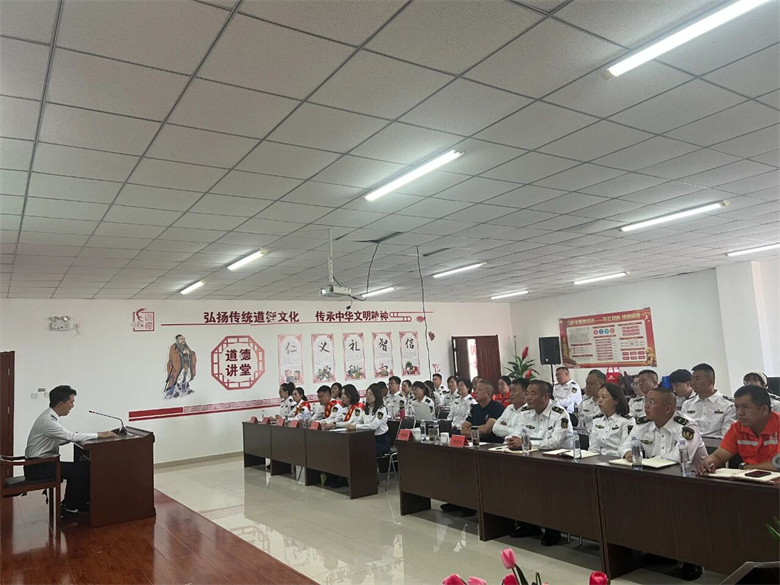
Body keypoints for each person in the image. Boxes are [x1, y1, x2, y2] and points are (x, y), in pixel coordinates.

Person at [25, 386, 116, 515]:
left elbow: (62, 439)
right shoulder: (48, 421)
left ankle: (79, 503)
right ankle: (70, 506)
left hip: (41, 464)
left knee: (82, 467)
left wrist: (75, 437)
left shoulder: (50, 417)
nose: (72, 406)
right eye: (71, 402)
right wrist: (99, 435)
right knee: (84, 469)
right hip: (38, 467)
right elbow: (69, 436)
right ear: (61, 403)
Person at [508, 380, 570, 546]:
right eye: (527, 393)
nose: (528, 397)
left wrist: (528, 443)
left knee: (547, 490)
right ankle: (529, 525)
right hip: (532, 459)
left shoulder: (560, 413)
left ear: (545, 397)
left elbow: (555, 442)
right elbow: (516, 433)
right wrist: (515, 441)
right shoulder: (525, 412)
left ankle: (553, 529)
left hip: (558, 463)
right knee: (520, 484)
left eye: (533, 394)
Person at [697, 385, 780, 474]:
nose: (739, 413)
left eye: (745, 407)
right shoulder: (737, 428)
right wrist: (707, 463)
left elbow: (777, 465)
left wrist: (746, 467)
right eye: (737, 407)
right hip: (748, 479)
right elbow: (718, 457)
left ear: (764, 409)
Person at [620, 387, 707, 467]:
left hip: (690, 475)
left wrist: (648, 460)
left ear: (668, 409)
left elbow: (680, 457)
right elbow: (624, 446)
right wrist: (628, 452)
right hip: (655, 473)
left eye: (651, 402)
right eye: (646, 401)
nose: (646, 406)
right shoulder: (642, 424)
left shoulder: (687, 426)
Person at [682, 363, 736, 438]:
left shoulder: (728, 405)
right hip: (691, 443)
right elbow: (682, 431)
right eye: (692, 379)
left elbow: (727, 436)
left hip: (717, 444)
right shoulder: (687, 404)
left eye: (697, 379)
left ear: (710, 382)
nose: (693, 382)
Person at [589, 383, 635, 457]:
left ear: (616, 401)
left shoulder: (627, 421)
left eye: (604, 397)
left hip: (618, 459)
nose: (599, 400)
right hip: (599, 460)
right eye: (598, 397)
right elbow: (594, 449)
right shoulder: (597, 420)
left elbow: (625, 448)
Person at [345, 384, 391, 456]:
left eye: (371, 394)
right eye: (367, 394)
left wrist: (356, 427)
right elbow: (359, 421)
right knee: (355, 449)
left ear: (376, 395)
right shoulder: (366, 409)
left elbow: (373, 426)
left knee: (365, 451)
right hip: (368, 438)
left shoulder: (381, 409)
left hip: (381, 440)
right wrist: (350, 425)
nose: (368, 396)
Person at [461, 380, 505, 444]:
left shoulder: (497, 407)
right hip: (476, 443)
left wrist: (472, 429)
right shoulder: (475, 408)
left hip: (493, 444)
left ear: (488, 394)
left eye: (480, 390)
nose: (475, 392)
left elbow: (486, 430)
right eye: (475, 389)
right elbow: (463, 430)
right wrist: (478, 431)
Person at [163, 334, 196, 398]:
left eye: (184, 339)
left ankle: (186, 389)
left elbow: (191, 354)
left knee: (186, 378)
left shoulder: (186, 346)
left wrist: (190, 353)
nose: (183, 340)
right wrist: (181, 353)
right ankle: (173, 392)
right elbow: (172, 356)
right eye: (181, 339)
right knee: (176, 378)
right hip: (176, 366)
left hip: (186, 366)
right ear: (177, 340)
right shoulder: (173, 347)